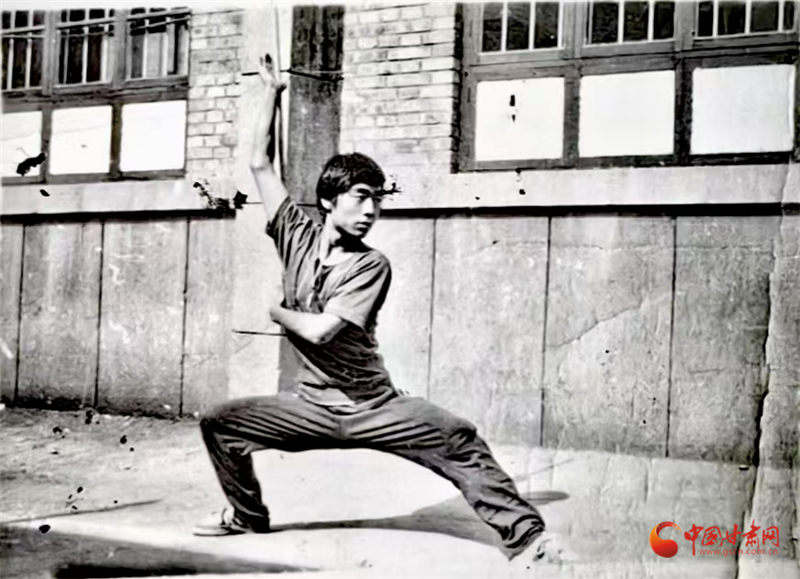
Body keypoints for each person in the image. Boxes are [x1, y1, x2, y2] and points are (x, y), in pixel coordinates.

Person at [193, 54, 572, 566]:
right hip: (310, 408)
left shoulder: (372, 264)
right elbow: (260, 163)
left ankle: (528, 538)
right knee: (220, 422)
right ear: (329, 200)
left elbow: (322, 331)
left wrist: (277, 312)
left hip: (375, 408)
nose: (372, 210)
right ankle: (246, 516)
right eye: (361, 197)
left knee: (457, 436)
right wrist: (272, 94)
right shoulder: (295, 234)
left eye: (378, 200)